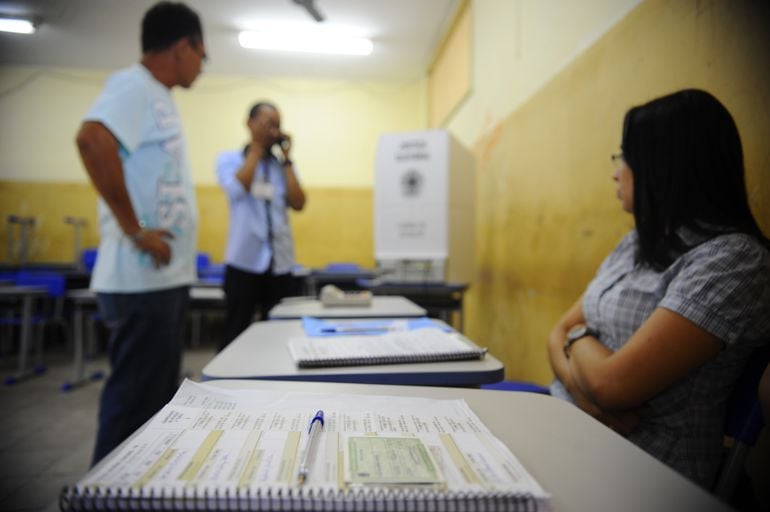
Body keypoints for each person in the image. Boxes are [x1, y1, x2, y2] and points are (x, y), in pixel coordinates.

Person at [547, 89, 770, 488]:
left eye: (625, 157)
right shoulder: (638, 242)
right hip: (574, 428)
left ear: (665, 164)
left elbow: (611, 385)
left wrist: (578, 338)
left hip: (642, 472)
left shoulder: (733, 261)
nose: (616, 172)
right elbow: (555, 334)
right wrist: (587, 399)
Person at [75, 1, 206, 465]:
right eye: (201, 55)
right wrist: (138, 230)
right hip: (140, 279)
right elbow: (92, 139)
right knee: (132, 404)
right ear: (182, 47)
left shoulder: (158, 96)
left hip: (160, 281)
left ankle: (138, 488)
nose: (202, 67)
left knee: (153, 409)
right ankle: (105, 493)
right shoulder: (133, 85)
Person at [216, 102, 306, 351]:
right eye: (267, 124)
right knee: (235, 331)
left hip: (280, 263)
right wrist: (255, 149)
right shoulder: (229, 160)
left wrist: (287, 159)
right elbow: (236, 188)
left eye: (277, 125)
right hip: (244, 261)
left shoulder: (282, 167)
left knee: (279, 334)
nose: (273, 131)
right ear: (249, 123)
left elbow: (298, 203)